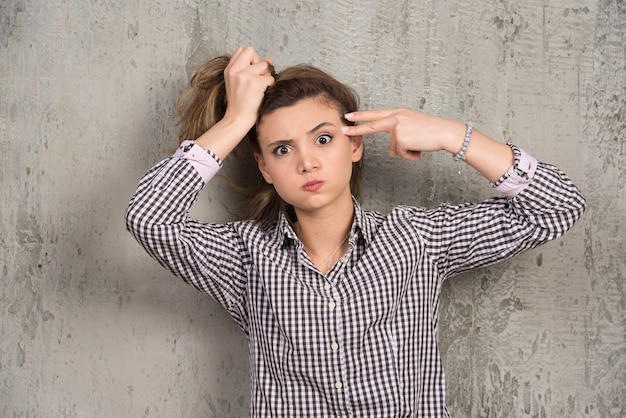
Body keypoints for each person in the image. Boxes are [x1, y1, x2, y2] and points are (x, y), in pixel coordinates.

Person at [126, 46, 586, 417]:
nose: (306, 160)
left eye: (323, 138)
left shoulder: (415, 239)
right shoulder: (246, 257)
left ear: (355, 145)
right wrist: (236, 122)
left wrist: (452, 135)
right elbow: (149, 218)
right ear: (265, 168)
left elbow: (556, 207)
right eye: (283, 149)